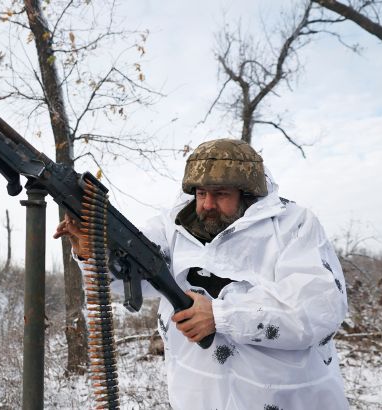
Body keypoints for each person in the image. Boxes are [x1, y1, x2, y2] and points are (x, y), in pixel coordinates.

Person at [54, 138, 349, 409]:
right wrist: (92, 251)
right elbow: (124, 281)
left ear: (247, 194)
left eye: (220, 194)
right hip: (198, 397)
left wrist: (221, 316)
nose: (207, 204)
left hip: (289, 399)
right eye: (200, 193)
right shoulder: (172, 228)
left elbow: (318, 309)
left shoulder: (292, 225)